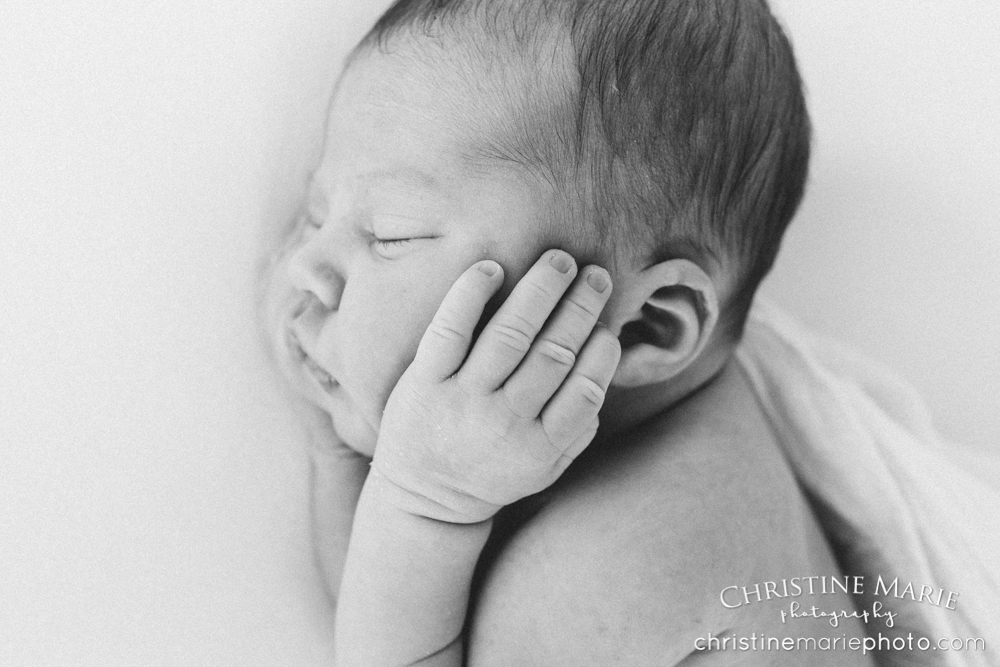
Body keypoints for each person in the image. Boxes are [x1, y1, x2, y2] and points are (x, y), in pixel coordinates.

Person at [259, 0, 997, 664]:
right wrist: (350, 458)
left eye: (391, 235)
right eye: (317, 215)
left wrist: (417, 502)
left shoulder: (613, 571)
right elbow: (384, 604)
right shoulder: (633, 444)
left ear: (646, 327)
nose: (307, 267)